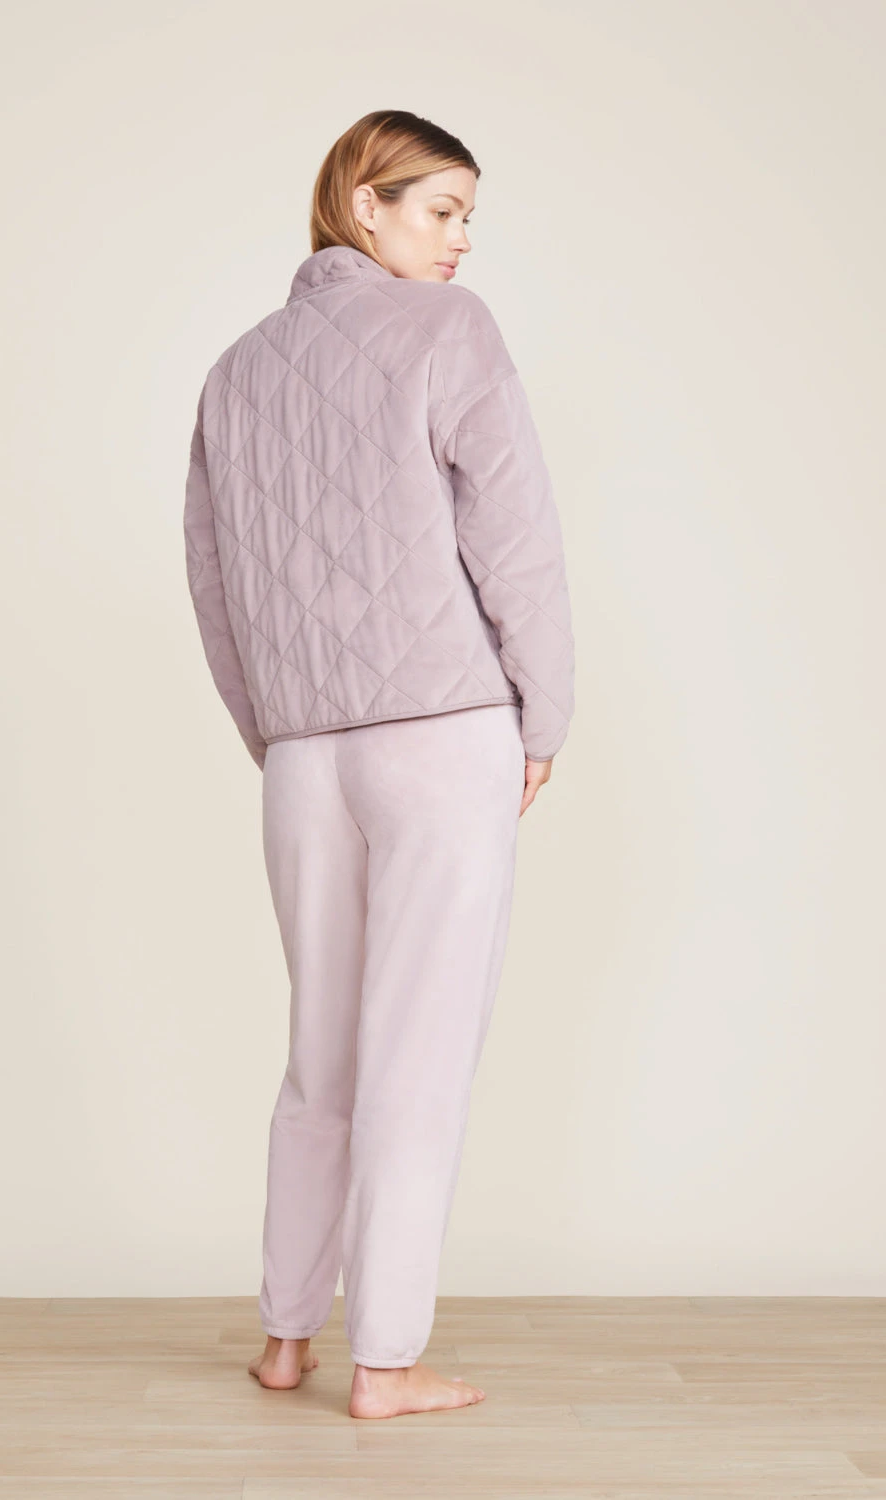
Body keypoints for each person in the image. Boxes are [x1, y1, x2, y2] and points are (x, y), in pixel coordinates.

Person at [183, 109, 576, 1420]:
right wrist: (542, 716)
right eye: (441, 209)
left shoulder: (235, 372)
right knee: (419, 1048)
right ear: (365, 202)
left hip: (304, 759)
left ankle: (285, 1338)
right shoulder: (447, 330)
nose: (462, 240)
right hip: (441, 733)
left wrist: (278, 734)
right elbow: (514, 533)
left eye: (468, 216)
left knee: (322, 1055)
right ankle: (387, 1362)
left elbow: (215, 589)